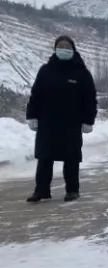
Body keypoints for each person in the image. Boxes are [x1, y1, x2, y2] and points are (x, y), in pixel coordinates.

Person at [25, 35, 98, 203]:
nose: (63, 49)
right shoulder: (45, 71)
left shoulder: (81, 73)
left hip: (71, 123)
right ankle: (41, 191)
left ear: (73, 49)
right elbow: (35, 95)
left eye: (67, 46)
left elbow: (90, 98)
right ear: (55, 49)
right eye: (60, 46)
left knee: (71, 158)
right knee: (44, 158)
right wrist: (32, 115)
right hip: (47, 122)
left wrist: (89, 119)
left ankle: (72, 190)